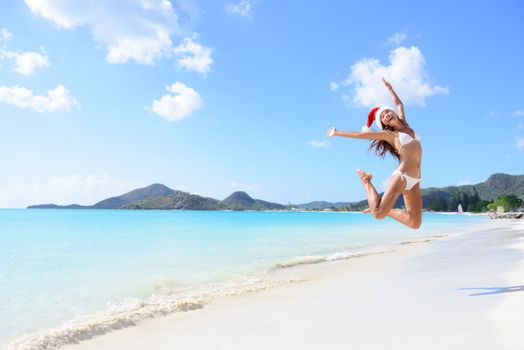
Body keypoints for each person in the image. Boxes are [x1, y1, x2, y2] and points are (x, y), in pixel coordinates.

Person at [326, 78, 422, 229]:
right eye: (383, 116)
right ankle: (366, 180)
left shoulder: (406, 125)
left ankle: (389, 211)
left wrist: (390, 89)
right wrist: (337, 132)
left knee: (414, 223)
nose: (386, 115)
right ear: (385, 125)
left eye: (387, 111)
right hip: (402, 176)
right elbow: (360, 135)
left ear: (394, 113)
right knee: (377, 214)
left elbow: (399, 104)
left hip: (415, 179)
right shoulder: (390, 135)